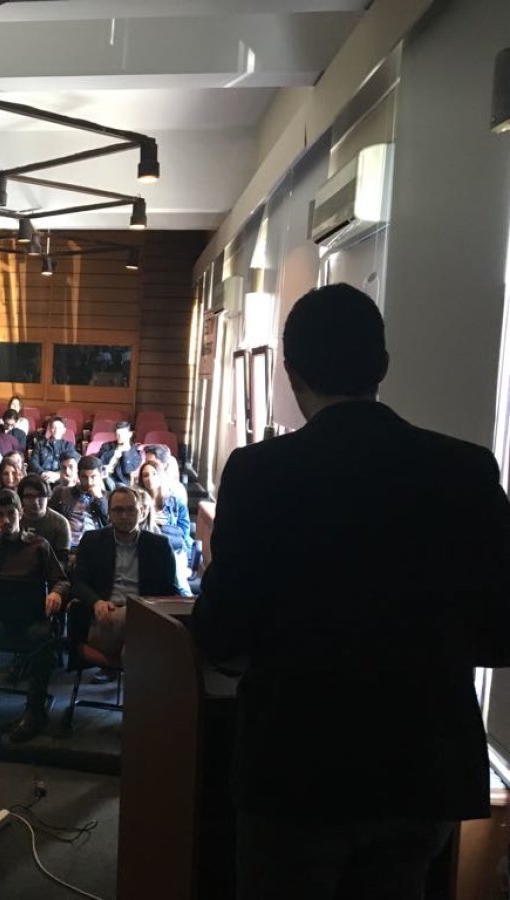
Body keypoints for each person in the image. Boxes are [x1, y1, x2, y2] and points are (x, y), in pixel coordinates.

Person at [193, 283, 510, 899]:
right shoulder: (466, 470)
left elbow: (222, 634)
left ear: (291, 373)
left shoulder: (260, 474)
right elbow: (501, 630)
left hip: (294, 766)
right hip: (419, 769)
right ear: (382, 366)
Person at [0, 489, 68, 744]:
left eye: (11, 514)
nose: (6, 520)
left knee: (42, 635)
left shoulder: (38, 545)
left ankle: (34, 710)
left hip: (31, 617)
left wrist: (55, 593)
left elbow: (61, 580)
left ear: (20, 514)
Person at [70, 485, 180, 665]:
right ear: (109, 514)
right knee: (144, 645)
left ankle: (124, 665)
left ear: (141, 512)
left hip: (145, 617)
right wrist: (96, 602)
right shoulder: (92, 541)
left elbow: (171, 591)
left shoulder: (158, 546)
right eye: (118, 510)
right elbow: (78, 583)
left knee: (134, 642)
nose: (124, 516)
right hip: (104, 619)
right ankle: (135, 670)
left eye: (130, 510)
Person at [137, 459, 191, 577]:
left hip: (171, 548)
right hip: (145, 549)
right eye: (145, 475)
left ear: (161, 475)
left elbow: (184, 532)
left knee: (177, 579)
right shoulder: (138, 502)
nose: (150, 478)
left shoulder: (176, 502)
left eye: (154, 473)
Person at [48, 454, 109, 550]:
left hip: (94, 545)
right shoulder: (62, 492)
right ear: (78, 476)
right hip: (68, 543)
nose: (89, 482)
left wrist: (99, 499)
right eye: (84, 477)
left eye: (93, 477)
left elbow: (109, 522)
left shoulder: (108, 497)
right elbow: (49, 516)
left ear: (100, 476)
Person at [19, 474, 72, 567]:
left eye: (40, 496)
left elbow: (62, 561)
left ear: (48, 497)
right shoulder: (14, 519)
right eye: (29, 497)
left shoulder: (60, 523)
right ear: (21, 499)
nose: (35, 502)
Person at [28, 417, 76, 485]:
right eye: (54, 428)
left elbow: (71, 463)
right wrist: (43, 473)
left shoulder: (68, 445)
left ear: (64, 430)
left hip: (60, 476)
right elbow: (33, 461)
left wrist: (58, 474)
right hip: (42, 476)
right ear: (50, 429)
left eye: (59, 428)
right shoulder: (40, 444)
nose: (56, 430)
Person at [97, 420, 143, 487]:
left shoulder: (135, 454)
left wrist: (125, 453)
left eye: (122, 434)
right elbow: (98, 461)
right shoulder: (107, 446)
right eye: (117, 434)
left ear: (130, 434)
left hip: (120, 481)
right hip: (102, 476)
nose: (119, 437)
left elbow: (127, 470)